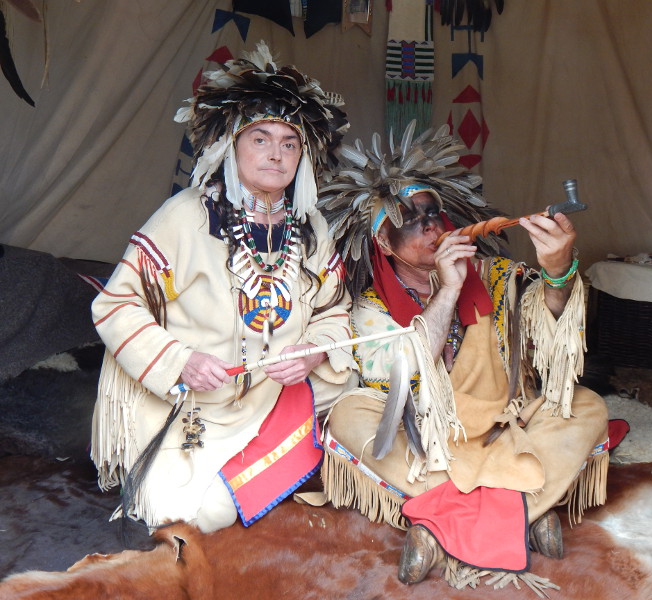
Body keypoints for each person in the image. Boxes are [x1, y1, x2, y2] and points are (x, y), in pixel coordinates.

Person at [317, 123, 609, 592]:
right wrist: (449, 288)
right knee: (348, 417)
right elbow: (402, 373)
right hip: (426, 440)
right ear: (384, 243)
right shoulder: (369, 306)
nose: (431, 224)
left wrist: (557, 270)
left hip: (501, 426)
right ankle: (526, 507)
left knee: (588, 405)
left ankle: (437, 525)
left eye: (435, 213)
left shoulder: (494, 274)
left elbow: (548, 328)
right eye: (411, 219)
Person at [90, 42, 354, 534]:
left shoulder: (311, 226)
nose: (276, 154)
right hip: (193, 407)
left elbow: (335, 311)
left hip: (278, 396)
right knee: (196, 514)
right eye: (260, 138)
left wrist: (314, 352)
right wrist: (180, 360)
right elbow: (114, 304)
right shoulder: (187, 215)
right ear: (231, 145)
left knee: (362, 418)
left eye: (289, 143)